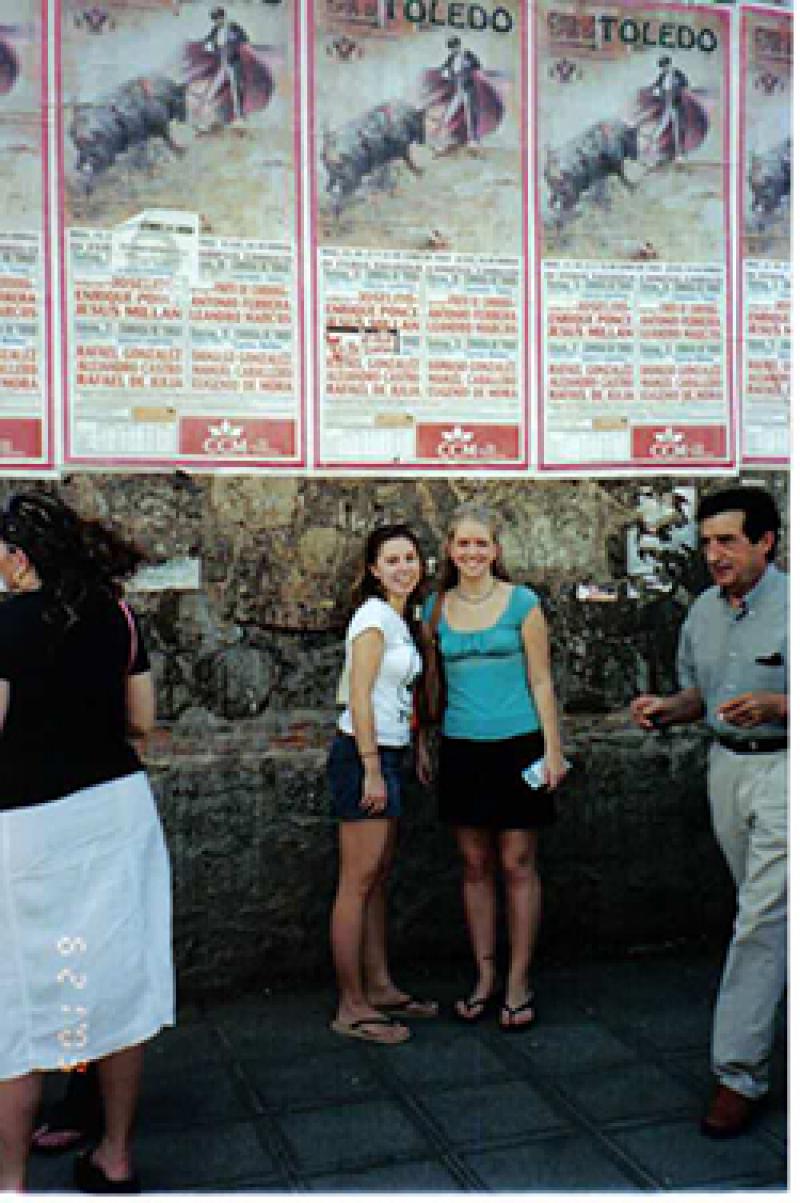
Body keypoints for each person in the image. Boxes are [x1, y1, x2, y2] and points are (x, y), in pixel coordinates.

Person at [0, 492, 174, 1192]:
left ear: (17, 556)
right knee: (115, 983)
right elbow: (142, 722)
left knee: (16, 998)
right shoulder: (116, 613)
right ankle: (116, 1152)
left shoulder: (3, 623)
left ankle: (10, 1180)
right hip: (114, 813)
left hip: (24, 826)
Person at [631, 486, 787, 1139]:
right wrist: (668, 708)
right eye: (707, 543)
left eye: (728, 541)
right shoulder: (701, 611)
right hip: (726, 768)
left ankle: (738, 1073)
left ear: (766, 541)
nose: (714, 554)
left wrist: (779, 706)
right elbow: (703, 693)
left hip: (786, 768)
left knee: (762, 916)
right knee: (766, 913)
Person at [420, 504, 569, 1032]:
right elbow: (427, 686)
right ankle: (484, 977)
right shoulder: (433, 609)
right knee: (476, 866)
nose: (473, 553)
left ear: (496, 549)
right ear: (449, 549)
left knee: (517, 864)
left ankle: (519, 979)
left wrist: (553, 749)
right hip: (463, 748)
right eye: (463, 544)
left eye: (482, 544)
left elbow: (542, 681)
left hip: (519, 745)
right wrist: (424, 743)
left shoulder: (522, 603)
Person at [327, 523, 438, 1045]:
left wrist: (413, 747)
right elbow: (362, 696)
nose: (403, 567)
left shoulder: (401, 618)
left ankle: (380, 986)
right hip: (363, 755)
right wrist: (371, 766)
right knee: (357, 882)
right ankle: (351, 1006)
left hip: (390, 753)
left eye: (410, 558)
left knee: (376, 879)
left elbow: (401, 696)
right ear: (373, 569)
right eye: (391, 560)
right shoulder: (371, 619)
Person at [202, 6, 249, 124]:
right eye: (214, 19)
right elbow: (207, 41)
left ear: (222, 17)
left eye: (217, 18)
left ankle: (240, 117)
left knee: (236, 89)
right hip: (222, 64)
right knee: (213, 89)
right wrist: (209, 45)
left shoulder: (233, 27)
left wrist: (234, 44)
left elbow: (245, 39)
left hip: (234, 63)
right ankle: (211, 117)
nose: (216, 21)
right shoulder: (215, 30)